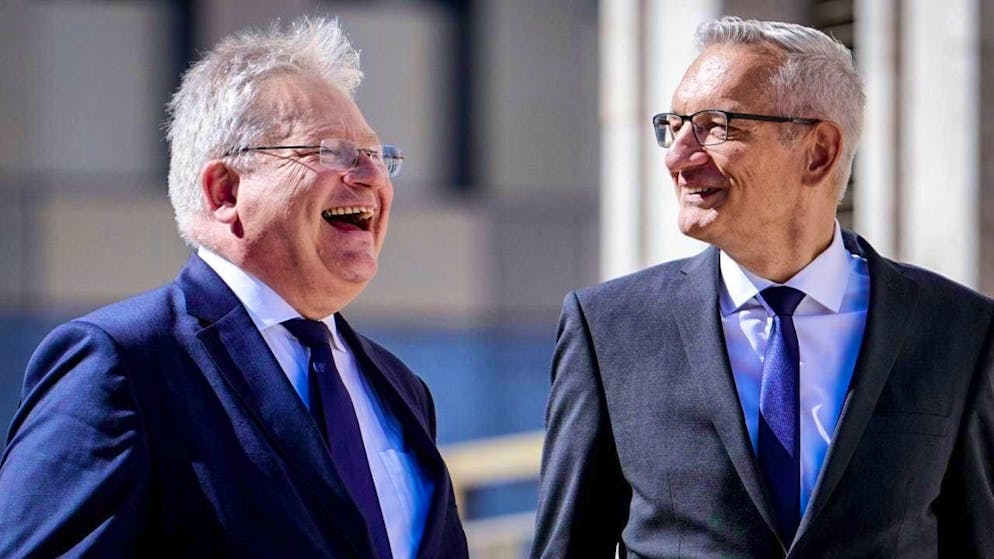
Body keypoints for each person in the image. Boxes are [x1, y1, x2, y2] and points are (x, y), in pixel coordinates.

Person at [0, 16, 468, 559]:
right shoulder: (122, 362)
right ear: (224, 190)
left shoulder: (400, 387)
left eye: (379, 156)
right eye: (331, 153)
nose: (372, 177)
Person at [533, 16, 993, 559]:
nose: (678, 157)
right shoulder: (609, 328)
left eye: (715, 125)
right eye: (674, 126)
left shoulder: (957, 328)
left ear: (818, 151)